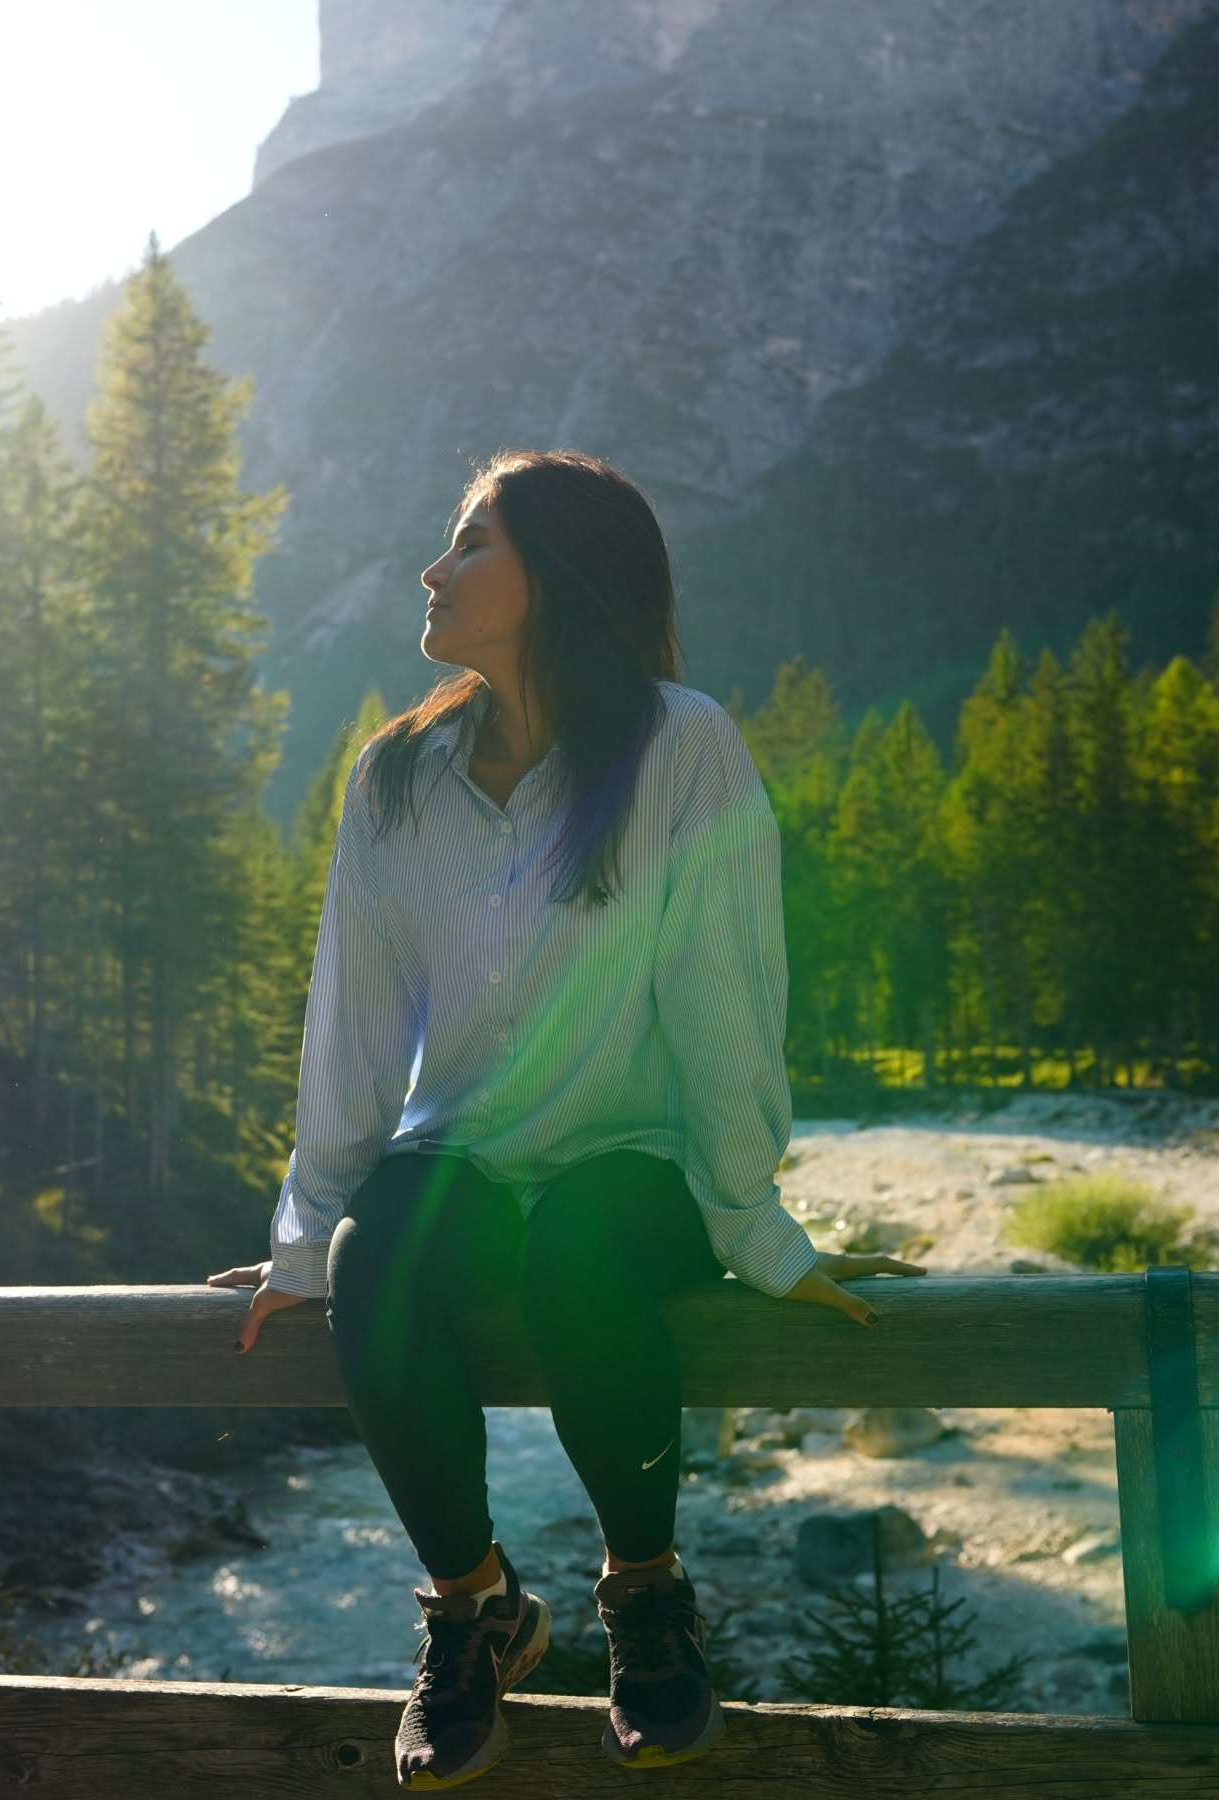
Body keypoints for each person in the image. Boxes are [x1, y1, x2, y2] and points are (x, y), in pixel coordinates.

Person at [209, 448, 926, 1788]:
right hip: (462, 1154)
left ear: (563, 573)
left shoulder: (682, 747)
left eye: (470, 541)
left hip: (632, 1167)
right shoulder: (395, 781)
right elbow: (354, 1025)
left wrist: (758, 1228)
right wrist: (310, 1240)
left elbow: (724, 1004)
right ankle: (475, 1606)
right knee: (380, 1256)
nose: (434, 569)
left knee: (579, 1250)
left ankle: (646, 1596)